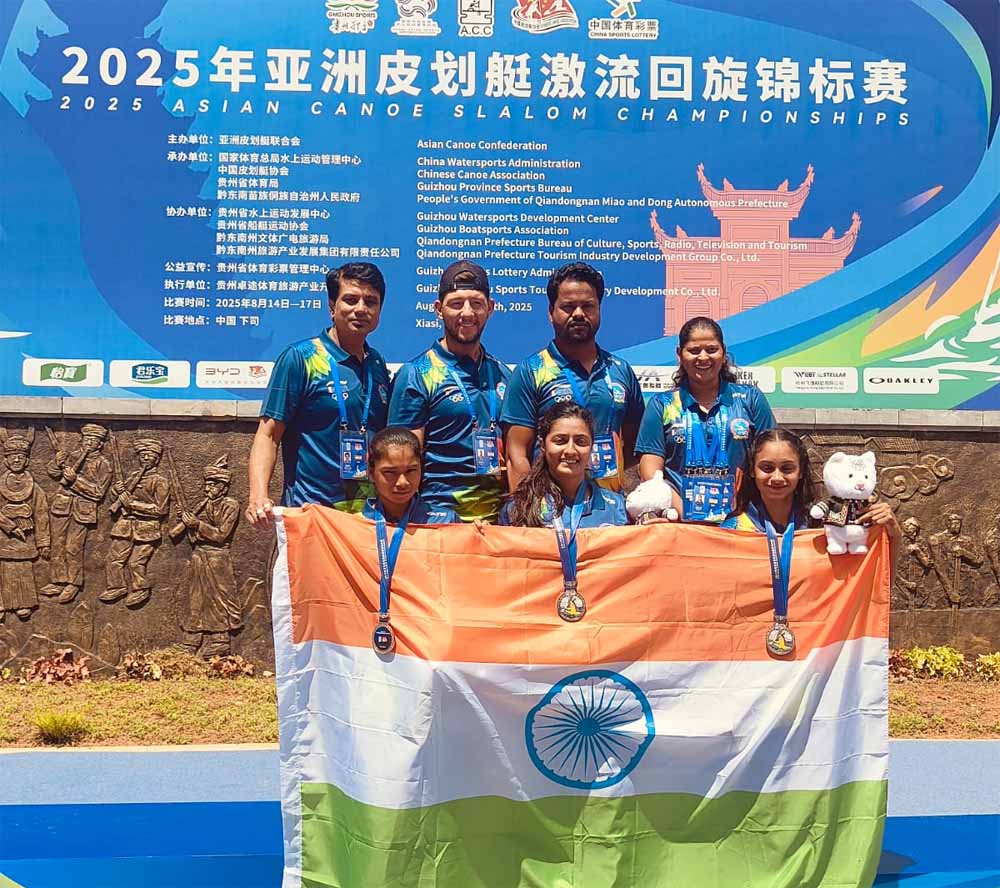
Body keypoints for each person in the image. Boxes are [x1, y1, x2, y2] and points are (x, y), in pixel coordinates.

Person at [248, 262, 391, 526]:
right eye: (351, 300)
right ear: (332, 306)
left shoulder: (377, 364)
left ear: (380, 310)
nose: (361, 309)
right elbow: (268, 434)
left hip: (366, 517)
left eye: (370, 302)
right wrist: (258, 495)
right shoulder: (300, 359)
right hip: (310, 514)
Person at [500, 262, 644, 494]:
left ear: (599, 310)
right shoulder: (530, 371)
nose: (578, 314)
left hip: (609, 508)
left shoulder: (621, 371)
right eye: (568, 307)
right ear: (551, 312)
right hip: (549, 505)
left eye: (588, 306)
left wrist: (627, 500)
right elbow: (517, 454)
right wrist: (529, 509)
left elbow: (636, 451)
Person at [388, 261, 510, 523]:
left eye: (476, 303)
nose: (467, 313)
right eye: (456, 304)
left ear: (490, 308)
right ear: (438, 310)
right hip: (438, 519)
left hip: (497, 523)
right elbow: (402, 460)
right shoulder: (417, 374)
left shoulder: (503, 374)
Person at [635, 316, 775, 524]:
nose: (703, 357)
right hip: (680, 521)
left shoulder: (750, 399)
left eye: (711, 349)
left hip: (742, 522)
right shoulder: (662, 404)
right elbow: (651, 473)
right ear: (680, 355)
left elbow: (773, 458)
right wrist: (686, 514)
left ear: (723, 353)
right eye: (694, 350)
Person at [723, 427, 901, 561]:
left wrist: (893, 532)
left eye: (787, 468)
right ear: (752, 470)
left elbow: (871, 581)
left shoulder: (825, 525)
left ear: (801, 471)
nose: (777, 477)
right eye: (767, 468)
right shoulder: (734, 528)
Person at [499, 402, 627, 528]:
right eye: (560, 441)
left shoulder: (617, 508)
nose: (570, 450)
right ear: (543, 445)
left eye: (581, 441)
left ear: (592, 447)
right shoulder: (518, 509)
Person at [169, 455, 242, 658]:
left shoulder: (231, 505)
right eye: (206, 484)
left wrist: (197, 524)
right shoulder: (206, 504)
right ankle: (191, 640)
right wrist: (188, 524)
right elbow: (195, 538)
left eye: (212, 485)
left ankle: (220, 641)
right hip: (199, 556)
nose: (207, 488)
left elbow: (221, 535)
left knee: (218, 599)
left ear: (223, 488)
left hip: (217, 559)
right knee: (193, 598)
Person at [42, 423, 112, 604]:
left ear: (100, 444)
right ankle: (58, 580)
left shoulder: (104, 465)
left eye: (93, 440)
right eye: (87, 438)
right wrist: (56, 463)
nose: (89, 442)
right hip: (62, 506)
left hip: (82, 511)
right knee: (57, 544)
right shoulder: (72, 456)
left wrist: (75, 481)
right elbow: (53, 473)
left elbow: (98, 493)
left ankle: (73, 583)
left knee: (73, 547)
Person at [362, 427, 456, 525]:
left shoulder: (446, 521)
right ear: (371, 473)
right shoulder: (356, 525)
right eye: (390, 472)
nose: (402, 482)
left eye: (411, 471)